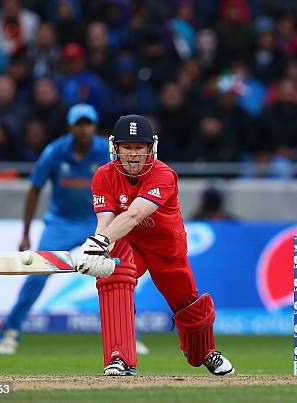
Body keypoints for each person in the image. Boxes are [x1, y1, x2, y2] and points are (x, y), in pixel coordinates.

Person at [74, 114, 235, 376]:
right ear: (115, 147)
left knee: (190, 310)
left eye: (140, 147)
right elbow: (106, 220)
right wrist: (96, 250)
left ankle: (204, 351)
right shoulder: (103, 176)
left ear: (151, 148)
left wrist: (100, 241)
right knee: (112, 278)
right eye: (127, 147)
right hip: (128, 243)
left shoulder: (164, 174)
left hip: (166, 248)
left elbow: (135, 214)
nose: (133, 154)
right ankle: (120, 358)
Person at [0, 104, 150, 356]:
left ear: (95, 126)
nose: (84, 129)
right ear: (70, 127)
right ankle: (9, 332)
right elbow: (34, 189)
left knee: (119, 275)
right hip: (60, 223)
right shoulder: (54, 152)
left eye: (88, 123)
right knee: (37, 274)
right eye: (79, 124)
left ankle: (130, 334)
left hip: (100, 220)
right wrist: (25, 233)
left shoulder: (106, 151)